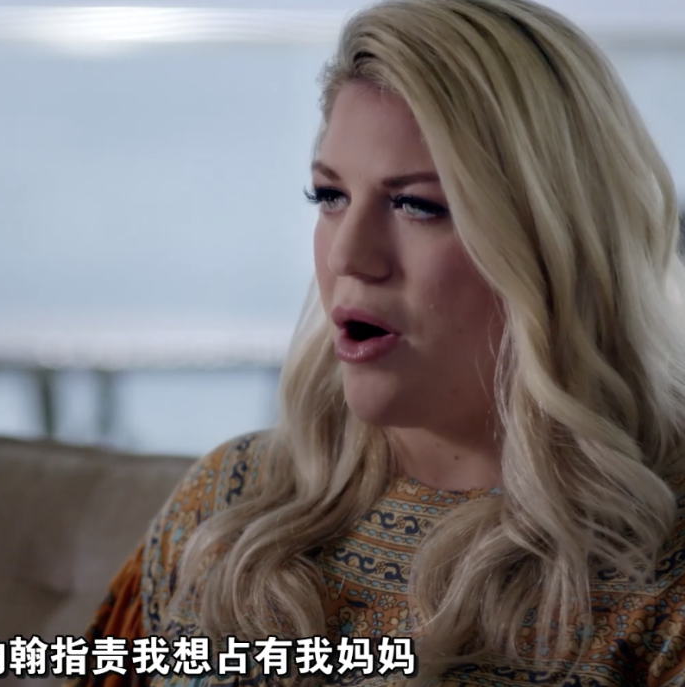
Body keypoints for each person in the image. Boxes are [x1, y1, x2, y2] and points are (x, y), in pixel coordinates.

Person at [65, 0, 685, 684]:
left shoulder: (663, 572)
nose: (348, 256)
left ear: (553, 240)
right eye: (329, 196)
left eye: (416, 204)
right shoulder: (228, 499)